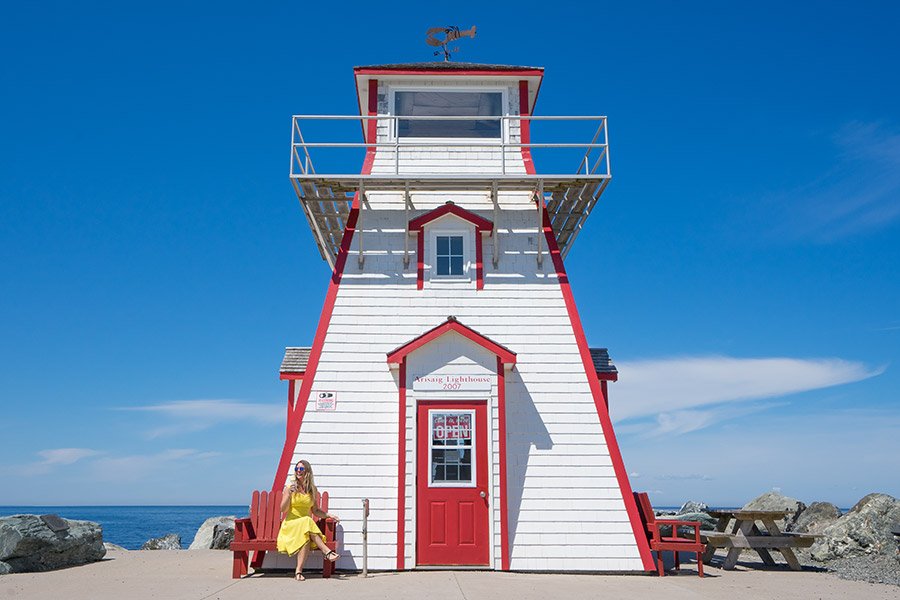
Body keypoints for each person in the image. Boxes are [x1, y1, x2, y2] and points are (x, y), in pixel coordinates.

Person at [276, 459, 340, 580]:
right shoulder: (290, 488)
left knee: (305, 537)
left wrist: (329, 515)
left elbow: (315, 511)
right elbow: (282, 509)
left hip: (304, 527)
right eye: (296, 469)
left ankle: (298, 572)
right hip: (291, 525)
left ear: (307, 471)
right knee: (307, 520)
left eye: (301, 469)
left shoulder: (312, 490)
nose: (298, 471)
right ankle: (326, 551)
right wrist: (289, 494)